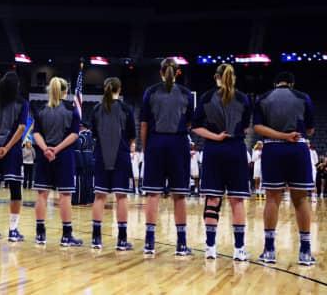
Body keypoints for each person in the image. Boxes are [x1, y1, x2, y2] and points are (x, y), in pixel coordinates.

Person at [254, 71, 316, 266]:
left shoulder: (263, 98)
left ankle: (270, 250)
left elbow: (257, 127)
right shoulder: (303, 97)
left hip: (273, 148)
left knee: (272, 199)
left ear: (275, 83)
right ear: (292, 83)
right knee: (300, 199)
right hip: (298, 147)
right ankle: (305, 252)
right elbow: (310, 130)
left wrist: (280, 135)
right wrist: (290, 135)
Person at [192, 64, 252, 261]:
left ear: (215, 76)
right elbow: (244, 127)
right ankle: (239, 249)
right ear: (233, 77)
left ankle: (210, 248)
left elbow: (196, 127)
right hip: (236, 149)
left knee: (213, 199)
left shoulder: (206, 97)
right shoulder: (243, 98)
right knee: (237, 201)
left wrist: (216, 136)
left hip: (214, 150)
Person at [141, 57, 194, 256]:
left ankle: (149, 242)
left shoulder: (150, 92)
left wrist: (147, 149)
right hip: (178, 143)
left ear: (160, 72)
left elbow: (144, 125)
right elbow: (189, 123)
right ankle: (181, 244)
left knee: (152, 194)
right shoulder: (187, 94)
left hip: (155, 142)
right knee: (179, 195)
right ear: (177, 72)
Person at [32, 77, 82, 246]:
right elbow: (74, 134)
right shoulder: (72, 109)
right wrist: (57, 149)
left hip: (44, 156)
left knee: (42, 195)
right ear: (65, 91)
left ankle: (40, 234)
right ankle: (67, 235)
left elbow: (36, 133)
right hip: (64, 155)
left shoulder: (41, 110)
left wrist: (46, 149)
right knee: (65, 195)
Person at [89, 77, 135, 251]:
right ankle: (122, 240)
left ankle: (96, 238)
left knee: (99, 196)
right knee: (121, 196)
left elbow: (93, 133)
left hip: (101, 155)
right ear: (119, 89)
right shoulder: (126, 109)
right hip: (120, 155)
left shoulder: (96, 109)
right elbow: (131, 135)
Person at [0, 72, 28, 242]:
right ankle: (13, 231)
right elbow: (22, 127)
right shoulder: (22, 103)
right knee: (16, 191)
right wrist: (7, 148)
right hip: (12, 151)